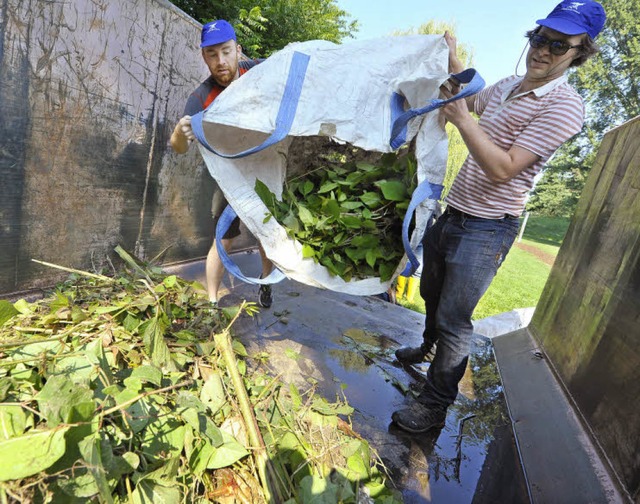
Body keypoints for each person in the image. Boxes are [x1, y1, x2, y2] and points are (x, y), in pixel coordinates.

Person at [392, 0, 606, 433]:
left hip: (488, 229)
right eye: (539, 38)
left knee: (455, 316)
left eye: (559, 45)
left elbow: (504, 166)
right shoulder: (509, 85)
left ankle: (433, 404)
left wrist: (461, 120)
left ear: (579, 53)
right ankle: (429, 347)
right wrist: (453, 60)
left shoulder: (565, 107)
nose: (543, 51)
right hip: (454, 212)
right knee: (431, 293)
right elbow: (468, 102)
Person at [170, 20, 274, 308]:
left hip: (266, 169)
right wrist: (180, 131)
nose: (221, 61)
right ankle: (213, 302)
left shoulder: (260, 71)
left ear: (238, 50)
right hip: (229, 176)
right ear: (204, 57)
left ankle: (266, 285)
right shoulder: (201, 97)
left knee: (266, 233)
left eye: (226, 52)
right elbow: (177, 148)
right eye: (212, 55)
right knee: (222, 237)